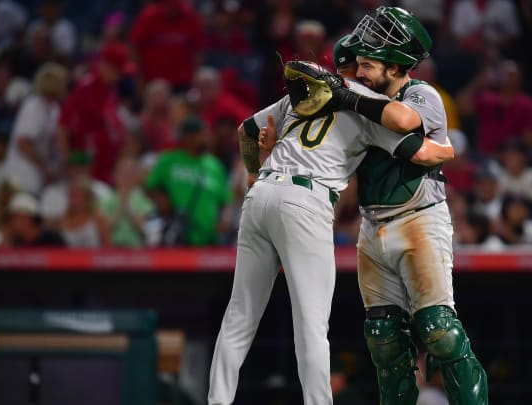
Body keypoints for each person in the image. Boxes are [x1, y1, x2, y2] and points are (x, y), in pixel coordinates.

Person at [208, 59, 455, 404]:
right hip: (306, 200)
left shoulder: (301, 94)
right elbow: (421, 153)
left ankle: (217, 401)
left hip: (262, 193)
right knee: (310, 325)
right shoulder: (371, 106)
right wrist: (448, 148)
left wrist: (252, 172)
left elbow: (246, 131)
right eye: (364, 65)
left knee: (239, 316)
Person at [337, 7, 488, 403]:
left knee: (438, 331)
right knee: (383, 338)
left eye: (370, 63)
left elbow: (403, 123)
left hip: (419, 220)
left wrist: (349, 94)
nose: (361, 70)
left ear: (396, 65)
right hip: (372, 226)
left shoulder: (421, 94)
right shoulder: (358, 99)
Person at [145, 116, 232, 246]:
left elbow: (226, 201)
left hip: (209, 239)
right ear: (188, 137)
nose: (206, 138)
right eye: (202, 134)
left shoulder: (214, 165)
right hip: (178, 236)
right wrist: (161, 201)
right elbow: (149, 187)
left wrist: (225, 219)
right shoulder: (168, 161)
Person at [57, 43, 131, 184]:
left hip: (105, 170)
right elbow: (63, 126)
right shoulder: (86, 88)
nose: (120, 76)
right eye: (117, 70)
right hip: (87, 169)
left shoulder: (111, 91)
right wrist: (69, 161)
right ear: (105, 65)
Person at [4, 62, 69, 195]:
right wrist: (45, 166)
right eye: (64, 83)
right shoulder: (33, 106)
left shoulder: (55, 108)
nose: (66, 87)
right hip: (22, 175)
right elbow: (22, 143)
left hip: (39, 177)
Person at [101, 157, 155, 248]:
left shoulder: (146, 202)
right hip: (110, 252)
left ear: (137, 177)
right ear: (115, 175)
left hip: (137, 252)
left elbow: (147, 231)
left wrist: (130, 208)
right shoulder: (105, 201)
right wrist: (120, 209)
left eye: (130, 174)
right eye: (123, 173)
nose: (126, 177)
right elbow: (102, 231)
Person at [59, 176, 111, 248]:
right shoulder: (63, 219)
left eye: (77, 195)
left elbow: (108, 245)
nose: (74, 199)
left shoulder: (98, 218)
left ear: (87, 197)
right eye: (72, 195)